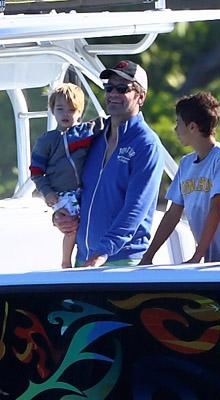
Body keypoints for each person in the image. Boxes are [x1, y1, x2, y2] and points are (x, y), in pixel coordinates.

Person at [53, 60, 164, 267]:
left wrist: (103, 251)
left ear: (140, 97)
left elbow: (136, 208)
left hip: (121, 261)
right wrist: (61, 215)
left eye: (122, 88)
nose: (112, 93)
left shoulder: (146, 144)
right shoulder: (93, 137)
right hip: (84, 259)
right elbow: (74, 187)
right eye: (109, 87)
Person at [139, 92, 220, 264]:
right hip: (209, 260)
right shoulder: (185, 163)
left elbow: (217, 207)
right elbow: (172, 214)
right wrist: (147, 257)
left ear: (192, 127)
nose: (175, 129)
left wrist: (197, 256)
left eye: (178, 123)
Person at [30, 83, 95, 268]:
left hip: (82, 191)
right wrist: (47, 192)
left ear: (80, 112)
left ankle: (88, 257)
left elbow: (103, 125)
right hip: (61, 193)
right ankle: (66, 262)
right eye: (60, 109)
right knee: (71, 227)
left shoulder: (86, 133)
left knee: (86, 223)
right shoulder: (47, 140)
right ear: (52, 111)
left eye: (72, 109)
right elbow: (36, 172)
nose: (66, 114)